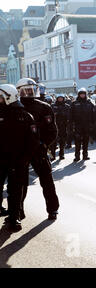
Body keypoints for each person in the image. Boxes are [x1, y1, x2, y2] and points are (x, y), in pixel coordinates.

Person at [16, 78, 60, 220]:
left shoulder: (44, 107)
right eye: (26, 90)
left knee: (47, 181)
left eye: (31, 89)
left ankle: (53, 209)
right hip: (21, 151)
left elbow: (52, 130)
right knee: (20, 184)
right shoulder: (15, 107)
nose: (29, 92)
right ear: (19, 91)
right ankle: (18, 211)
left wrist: (44, 144)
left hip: (39, 149)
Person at [0, 84, 40, 231]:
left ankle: (14, 217)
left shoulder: (25, 116)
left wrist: (25, 158)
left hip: (18, 160)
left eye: (1, 97)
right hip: (1, 159)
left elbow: (33, 141)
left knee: (15, 190)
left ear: (9, 97)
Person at [71, 88, 96, 162]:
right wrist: (71, 124)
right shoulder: (74, 103)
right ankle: (77, 156)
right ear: (79, 94)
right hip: (78, 125)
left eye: (83, 94)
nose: (82, 95)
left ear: (85, 94)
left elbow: (93, 114)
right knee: (77, 142)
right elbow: (71, 115)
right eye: (81, 94)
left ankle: (85, 155)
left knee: (85, 141)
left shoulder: (89, 103)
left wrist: (92, 124)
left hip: (87, 125)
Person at [50, 94, 71, 161]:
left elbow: (69, 116)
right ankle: (52, 156)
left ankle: (61, 155)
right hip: (54, 126)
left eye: (61, 98)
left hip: (63, 126)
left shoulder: (67, 106)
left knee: (62, 141)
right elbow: (50, 115)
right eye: (59, 98)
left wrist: (67, 121)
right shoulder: (53, 106)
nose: (60, 99)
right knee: (53, 142)